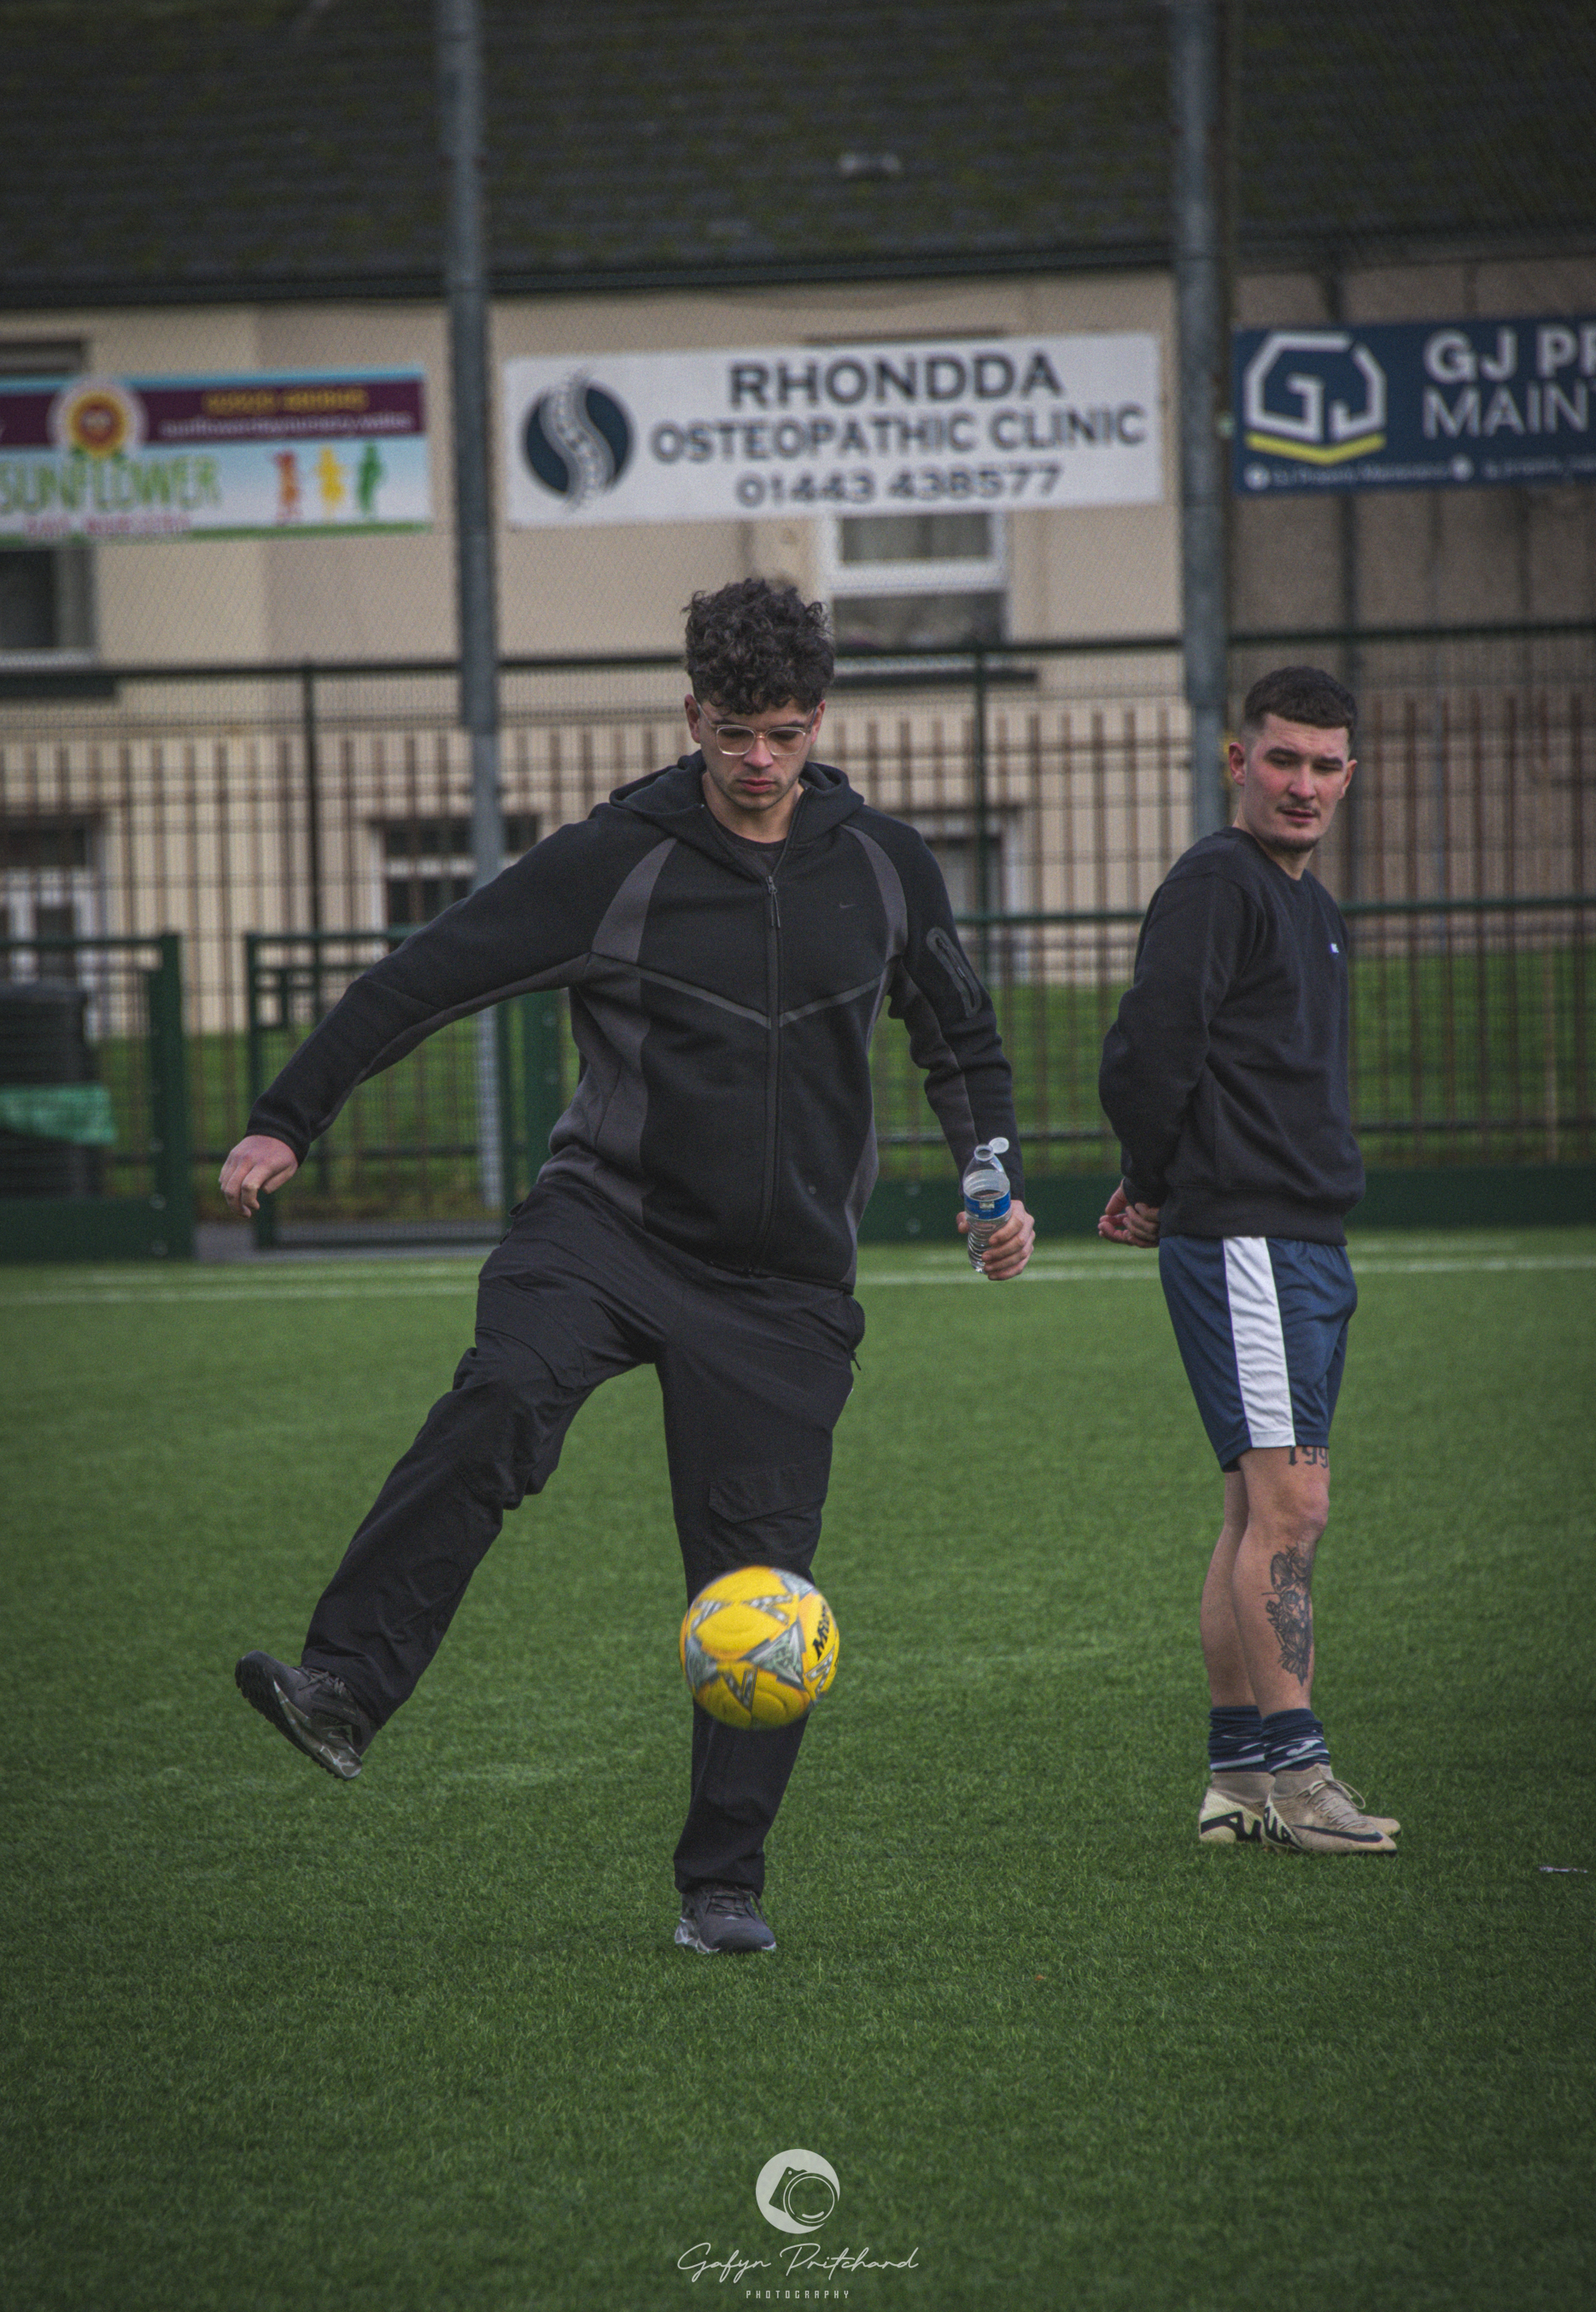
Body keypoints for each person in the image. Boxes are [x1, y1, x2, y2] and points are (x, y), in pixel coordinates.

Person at [222, 577, 1036, 1952]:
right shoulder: (614, 858)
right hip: (604, 1232)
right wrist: (284, 1117)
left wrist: (989, 1178)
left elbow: (961, 1039)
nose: (757, 760)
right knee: (502, 1393)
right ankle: (343, 1686)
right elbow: (420, 977)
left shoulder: (887, 864)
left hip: (782, 1290)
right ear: (691, 715)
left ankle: (723, 1888)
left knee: (758, 1591)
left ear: (819, 720)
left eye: (782, 734)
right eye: (733, 732)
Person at [1096, 665, 1398, 1857]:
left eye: (1325, 765)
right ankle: (1300, 1780)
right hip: (1249, 1239)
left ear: (1348, 776)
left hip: (1301, 1240)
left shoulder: (1308, 903)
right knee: (1290, 1508)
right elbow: (1146, 1049)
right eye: (1282, 759)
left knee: (1251, 1510)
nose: (1303, 784)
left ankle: (1237, 1782)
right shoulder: (1216, 883)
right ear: (1238, 761)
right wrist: (1154, 1181)